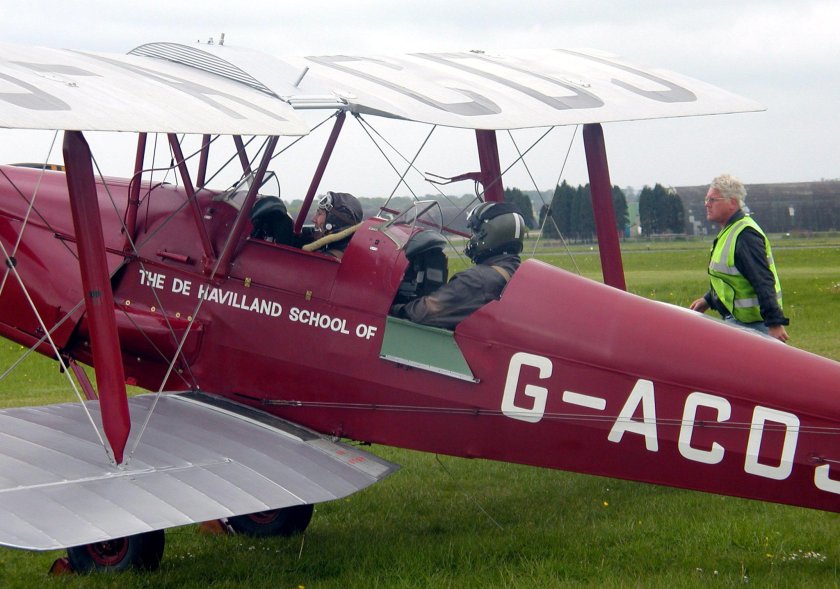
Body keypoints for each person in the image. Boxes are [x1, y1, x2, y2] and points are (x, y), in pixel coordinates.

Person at [391, 201, 525, 329]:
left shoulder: (476, 281)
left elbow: (425, 312)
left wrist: (395, 309)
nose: (472, 238)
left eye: (475, 232)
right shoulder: (516, 273)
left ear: (486, 233)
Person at [689, 174, 789, 341]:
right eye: (706, 199)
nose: (707, 204)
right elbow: (731, 279)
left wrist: (774, 323)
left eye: (713, 200)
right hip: (739, 321)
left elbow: (763, 280)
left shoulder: (745, 235)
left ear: (733, 203)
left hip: (755, 325)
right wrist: (708, 300)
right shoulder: (730, 230)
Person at [302, 191, 364, 258]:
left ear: (335, 221)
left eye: (319, 213)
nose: (313, 219)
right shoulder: (352, 252)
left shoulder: (327, 260)